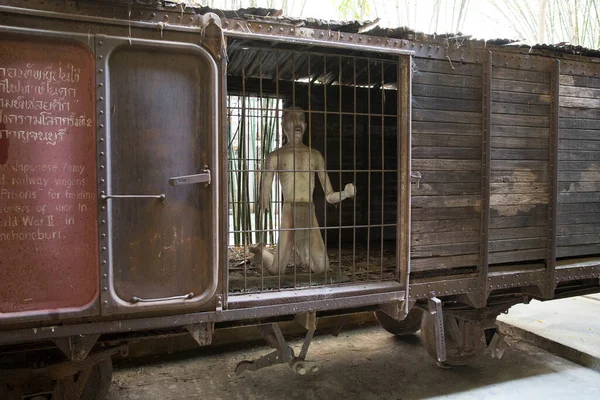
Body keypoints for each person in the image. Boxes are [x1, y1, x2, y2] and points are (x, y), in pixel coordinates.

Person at [251, 106, 356, 275]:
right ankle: (261, 250)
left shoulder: (315, 155)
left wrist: (345, 193)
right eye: (292, 118)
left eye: (301, 118)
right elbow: (264, 190)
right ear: (284, 125)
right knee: (276, 270)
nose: (298, 122)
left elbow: (329, 196)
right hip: (288, 212)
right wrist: (264, 201)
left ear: (306, 125)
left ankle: (299, 253)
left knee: (322, 269)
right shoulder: (275, 156)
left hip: (308, 211)